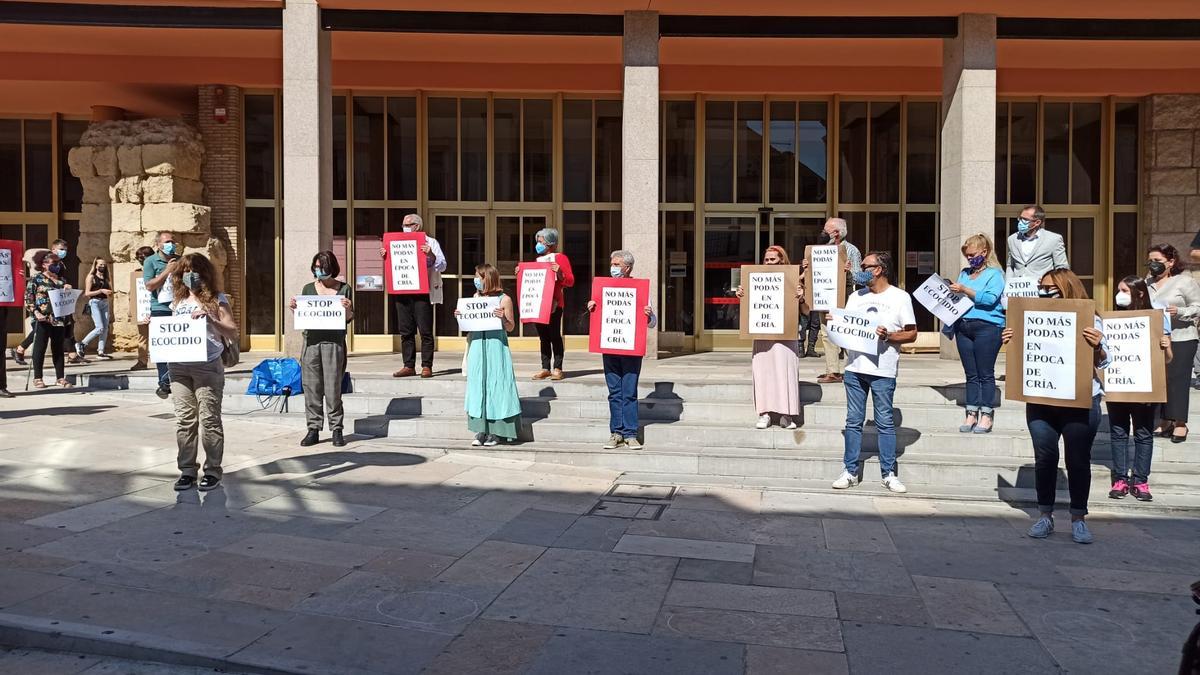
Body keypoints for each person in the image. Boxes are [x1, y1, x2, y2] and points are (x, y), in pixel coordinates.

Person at [1002, 269, 1107, 544]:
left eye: (1050, 288)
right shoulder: (1028, 318)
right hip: (1041, 401)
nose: (1044, 292)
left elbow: (1105, 363)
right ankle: (1045, 516)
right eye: (1041, 287)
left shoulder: (1091, 319)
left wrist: (1097, 347)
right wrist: (1011, 341)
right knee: (1045, 458)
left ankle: (1078, 518)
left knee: (1078, 460)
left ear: (1067, 288)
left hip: (1079, 403)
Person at [828, 252, 916, 494]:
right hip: (855, 369)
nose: (859, 271)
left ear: (879, 270)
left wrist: (888, 335)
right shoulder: (855, 296)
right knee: (853, 421)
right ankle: (850, 471)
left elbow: (911, 333)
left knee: (885, 422)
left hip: (883, 370)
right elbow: (847, 329)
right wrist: (835, 322)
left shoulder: (900, 298)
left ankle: (888, 473)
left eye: (864, 266)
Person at [168, 253, 237, 492]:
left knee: (209, 419)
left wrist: (211, 320)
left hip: (207, 364)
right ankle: (187, 470)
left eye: (194, 270)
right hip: (178, 365)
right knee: (185, 420)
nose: (190, 275)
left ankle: (212, 470)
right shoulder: (177, 300)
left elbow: (231, 331)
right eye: (185, 270)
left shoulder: (217, 299)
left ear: (204, 273)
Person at [1108, 276, 1172, 502]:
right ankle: (1120, 479)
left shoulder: (1157, 318)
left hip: (1145, 385)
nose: (1120, 295)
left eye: (1124, 290)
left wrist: (1165, 346)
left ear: (1140, 293)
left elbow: (1168, 359)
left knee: (1144, 434)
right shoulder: (1112, 319)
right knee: (1118, 433)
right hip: (1118, 384)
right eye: (1119, 290)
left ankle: (1141, 480)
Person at [588, 250, 657, 450]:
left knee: (629, 391)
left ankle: (631, 433)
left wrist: (649, 314)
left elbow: (652, 323)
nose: (613, 268)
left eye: (617, 264)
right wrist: (592, 307)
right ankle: (616, 432)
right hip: (610, 346)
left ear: (627, 268)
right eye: (612, 264)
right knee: (614, 392)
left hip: (631, 348)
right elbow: (598, 313)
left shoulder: (639, 289)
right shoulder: (604, 288)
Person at [735, 245, 803, 429]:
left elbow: (806, 310)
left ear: (782, 260)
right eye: (766, 259)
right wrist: (743, 293)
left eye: (773, 259)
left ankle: (786, 414)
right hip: (762, 333)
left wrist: (801, 296)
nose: (769, 262)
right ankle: (764, 413)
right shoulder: (755, 278)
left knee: (785, 372)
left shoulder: (793, 279)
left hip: (786, 335)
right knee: (763, 372)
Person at [291, 251, 354, 448]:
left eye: (323, 267)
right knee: (311, 387)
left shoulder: (344, 289)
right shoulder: (308, 289)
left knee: (333, 387)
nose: (319, 270)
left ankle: (337, 428)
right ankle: (313, 428)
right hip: (311, 343)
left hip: (333, 343)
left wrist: (348, 308)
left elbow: (349, 318)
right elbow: (303, 315)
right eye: (316, 266)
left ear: (331, 268)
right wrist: (295, 308)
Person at [455, 263, 522, 446]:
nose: (475, 279)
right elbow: (469, 325)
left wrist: (502, 317)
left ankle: (497, 432)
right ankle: (480, 430)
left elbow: (511, 327)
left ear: (488, 278)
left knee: (498, 384)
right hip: (477, 345)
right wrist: (461, 316)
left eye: (478, 276)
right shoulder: (476, 297)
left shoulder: (504, 299)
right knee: (478, 385)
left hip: (495, 345)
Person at [947, 234, 1005, 434]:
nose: (970, 258)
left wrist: (965, 289)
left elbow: (989, 300)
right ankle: (971, 412)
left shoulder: (995, 274)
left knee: (985, 373)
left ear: (984, 252)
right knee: (971, 374)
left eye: (973, 254)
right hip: (964, 325)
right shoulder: (964, 273)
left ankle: (987, 414)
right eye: (967, 255)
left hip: (988, 326)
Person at [1145, 243, 1200, 444]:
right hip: (1157, 339)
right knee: (1161, 380)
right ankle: (1165, 420)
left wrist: (1181, 312)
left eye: (1158, 261)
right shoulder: (1147, 282)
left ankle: (1180, 424)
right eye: (1150, 261)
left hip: (1182, 337)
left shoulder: (1184, 282)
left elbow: (1198, 306)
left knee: (1178, 380)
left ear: (1171, 262)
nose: (1153, 265)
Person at [381, 214, 446, 379]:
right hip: (402, 291)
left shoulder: (430, 242)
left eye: (408, 224)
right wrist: (386, 256)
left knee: (425, 330)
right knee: (405, 331)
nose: (405, 227)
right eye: (403, 224)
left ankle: (426, 366)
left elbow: (442, 265)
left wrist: (430, 254)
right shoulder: (396, 242)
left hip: (422, 292)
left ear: (417, 226)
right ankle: (408, 365)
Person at [804, 218, 862, 384]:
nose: (822, 233)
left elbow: (858, 277)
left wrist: (849, 270)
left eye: (826, 230)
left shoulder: (850, 250)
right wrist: (807, 266)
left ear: (836, 233)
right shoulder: (821, 250)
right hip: (825, 297)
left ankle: (854, 370)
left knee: (845, 334)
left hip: (844, 297)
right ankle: (833, 371)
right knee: (827, 334)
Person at [523, 227, 575, 381]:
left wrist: (559, 273)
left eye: (541, 242)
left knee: (554, 335)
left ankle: (558, 367)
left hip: (554, 303)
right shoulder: (537, 260)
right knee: (543, 336)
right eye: (538, 241)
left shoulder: (560, 258)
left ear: (551, 244)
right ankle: (545, 367)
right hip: (538, 303)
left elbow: (570, 281)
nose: (538, 244)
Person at [24, 250, 71, 388]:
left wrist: (68, 291)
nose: (56, 266)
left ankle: (60, 378)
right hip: (42, 318)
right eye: (53, 263)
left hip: (58, 318)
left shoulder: (61, 281)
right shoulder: (36, 279)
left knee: (58, 348)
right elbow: (28, 298)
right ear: (44, 264)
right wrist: (36, 313)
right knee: (40, 347)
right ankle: (38, 377)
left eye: (58, 263)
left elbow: (67, 300)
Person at [144, 232, 180, 399]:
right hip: (161, 309)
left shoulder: (181, 259)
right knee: (163, 347)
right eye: (167, 242)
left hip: (180, 308)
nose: (171, 244)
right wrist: (167, 271)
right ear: (158, 245)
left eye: (172, 241)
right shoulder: (150, 261)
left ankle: (180, 379)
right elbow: (150, 285)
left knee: (179, 345)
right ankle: (164, 382)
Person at [1005, 204, 1068, 282]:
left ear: (1037, 222)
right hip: (1017, 289)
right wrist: (1008, 283)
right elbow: (1010, 265)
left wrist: (1050, 281)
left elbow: (1062, 268)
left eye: (1025, 219)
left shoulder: (1053, 239)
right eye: (1020, 218)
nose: (1020, 222)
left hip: (1042, 289)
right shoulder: (1013, 239)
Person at [10, 246, 48, 366]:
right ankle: (21, 349)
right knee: (38, 330)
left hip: (49, 307)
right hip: (37, 306)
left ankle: (20, 349)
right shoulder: (35, 277)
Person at [76, 257, 113, 359]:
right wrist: (101, 291)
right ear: (96, 265)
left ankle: (101, 351)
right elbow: (87, 293)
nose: (102, 266)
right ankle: (82, 343)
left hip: (104, 302)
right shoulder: (91, 277)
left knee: (105, 328)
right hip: (95, 302)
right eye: (100, 264)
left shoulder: (106, 277)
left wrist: (108, 293)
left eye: (104, 265)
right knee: (99, 327)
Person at [131, 246, 155, 371]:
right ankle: (142, 361)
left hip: (158, 308)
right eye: (138, 258)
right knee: (142, 336)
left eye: (142, 257)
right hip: (143, 309)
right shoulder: (137, 273)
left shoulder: (159, 271)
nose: (140, 260)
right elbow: (135, 293)